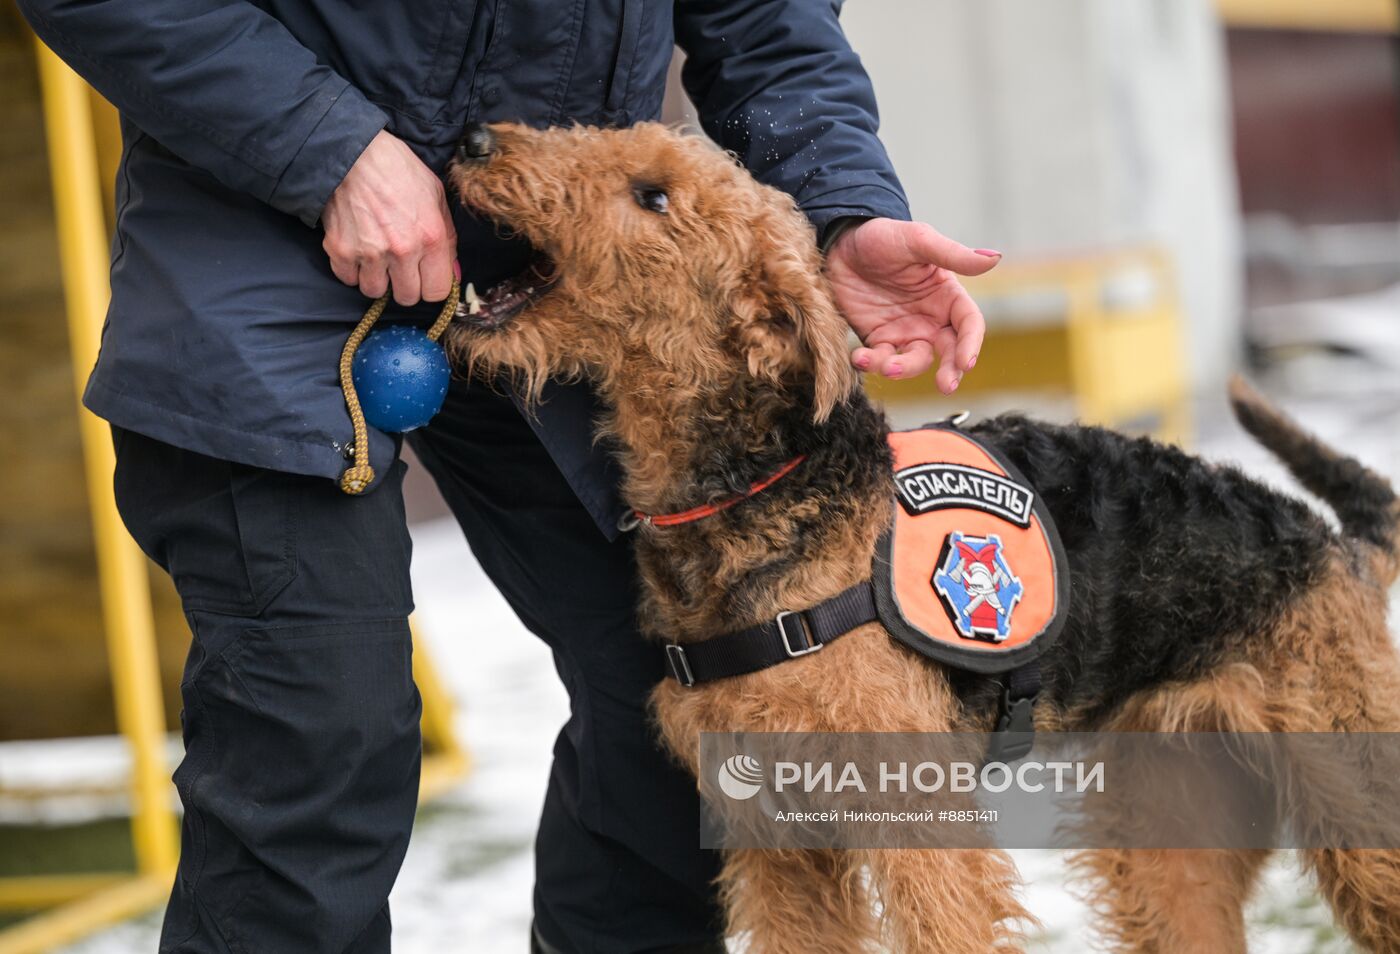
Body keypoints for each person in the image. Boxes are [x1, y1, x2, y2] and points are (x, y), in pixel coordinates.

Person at [18, 2, 1000, 951]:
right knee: (319, 731)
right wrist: (329, 147)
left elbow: (765, 19)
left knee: (685, 702)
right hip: (263, 231)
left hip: (555, 263)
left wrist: (841, 200)